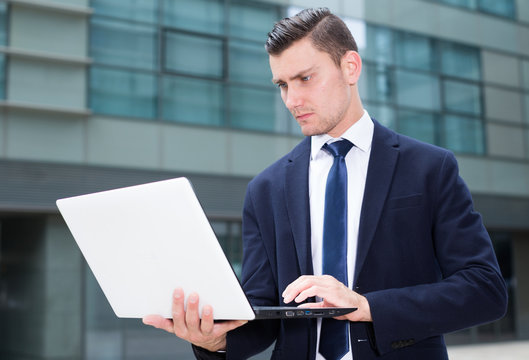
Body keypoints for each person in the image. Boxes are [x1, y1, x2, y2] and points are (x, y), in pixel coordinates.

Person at [143, 7, 508, 360]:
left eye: (305, 78)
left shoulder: (430, 168)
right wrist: (215, 340)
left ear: (350, 67)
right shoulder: (265, 189)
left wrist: (367, 307)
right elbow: (262, 313)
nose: (292, 100)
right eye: (282, 84)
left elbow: (485, 290)